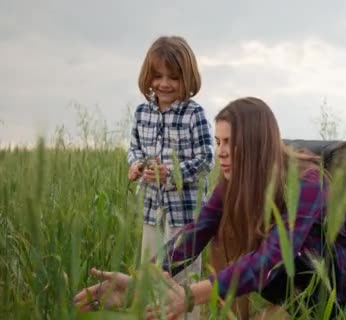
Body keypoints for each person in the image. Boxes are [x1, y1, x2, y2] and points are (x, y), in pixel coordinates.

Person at [75, 97, 346, 319]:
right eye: (217, 141)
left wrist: (190, 295)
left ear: (255, 143)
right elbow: (195, 233)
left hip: (334, 300)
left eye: (230, 141)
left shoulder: (307, 182)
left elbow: (272, 258)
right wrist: (139, 283)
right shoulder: (233, 180)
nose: (221, 151)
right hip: (287, 296)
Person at [126, 35, 214, 319]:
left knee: (183, 279)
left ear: (187, 77)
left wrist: (174, 172)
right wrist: (137, 165)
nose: (164, 84)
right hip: (153, 210)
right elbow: (135, 148)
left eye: (173, 77)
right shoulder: (142, 113)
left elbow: (206, 159)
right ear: (147, 77)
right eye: (158, 76)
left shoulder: (194, 114)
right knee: (151, 273)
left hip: (184, 216)